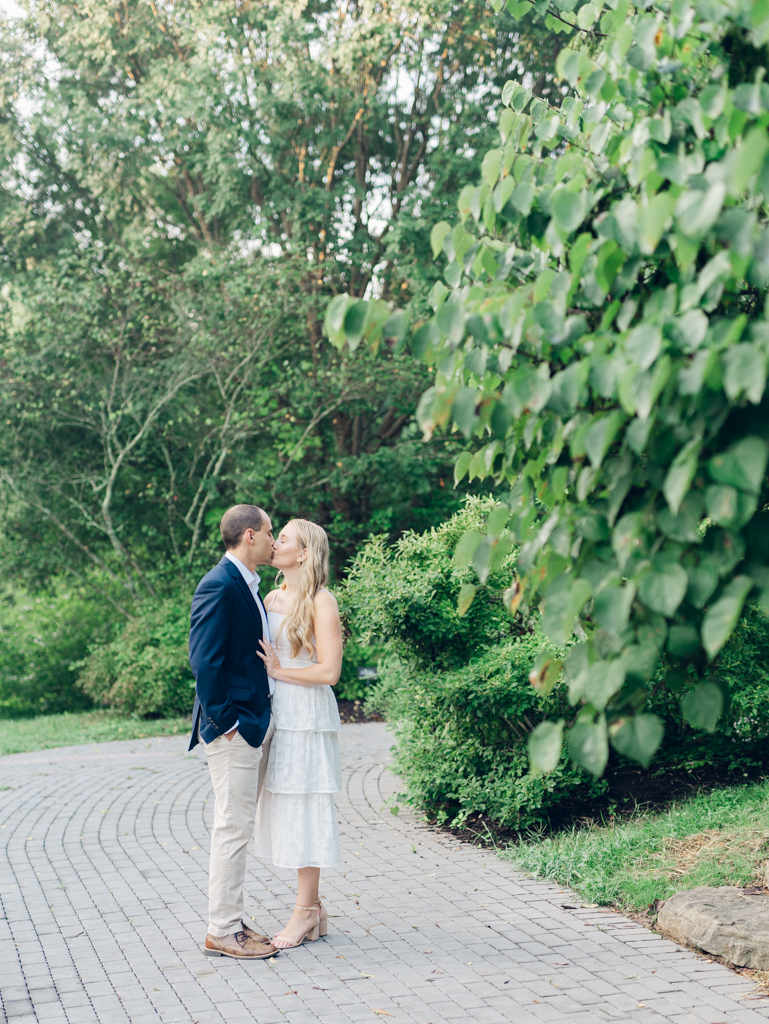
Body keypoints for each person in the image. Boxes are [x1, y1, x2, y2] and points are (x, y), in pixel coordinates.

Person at [188, 504, 280, 960]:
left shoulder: (247, 585)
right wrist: (227, 724)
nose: (274, 539)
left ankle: (231, 919)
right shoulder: (219, 585)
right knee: (232, 826)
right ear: (249, 536)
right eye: (269, 532)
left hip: (249, 722)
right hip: (233, 729)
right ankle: (222, 929)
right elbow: (204, 662)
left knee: (238, 825)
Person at [255, 519, 344, 949]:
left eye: (284, 538)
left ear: (304, 553)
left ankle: (304, 912)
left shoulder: (321, 601)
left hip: (307, 714)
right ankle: (316, 907)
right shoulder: (271, 596)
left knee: (305, 807)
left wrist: (279, 670)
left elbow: (330, 671)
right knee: (286, 808)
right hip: (279, 714)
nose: (276, 543)